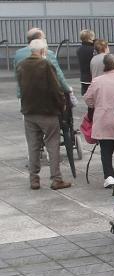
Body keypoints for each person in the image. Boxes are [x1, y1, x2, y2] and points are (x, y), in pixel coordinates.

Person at [17, 42, 70, 191]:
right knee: (52, 144)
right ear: (42, 51)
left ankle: (34, 179)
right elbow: (56, 88)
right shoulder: (46, 65)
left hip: (29, 111)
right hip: (47, 111)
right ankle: (56, 179)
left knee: (33, 145)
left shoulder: (21, 65)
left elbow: (21, 87)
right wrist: (62, 104)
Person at [83, 53, 114, 188]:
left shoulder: (97, 81)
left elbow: (88, 99)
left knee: (105, 149)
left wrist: (96, 104)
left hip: (103, 119)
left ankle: (108, 176)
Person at [15, 29, 70, 96]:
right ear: (39, 40)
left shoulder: (18, 54)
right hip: (45, 93)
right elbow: (57, 74)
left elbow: (17, 74)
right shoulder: (48, 54)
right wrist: (67, 89)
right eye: (44, 38)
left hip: (25, 92)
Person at [75, 29, 96, 95]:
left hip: (83, 77)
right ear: (90, 38)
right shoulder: (93, 49)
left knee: (87, 96)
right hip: (92, 77)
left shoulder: (79, 49)